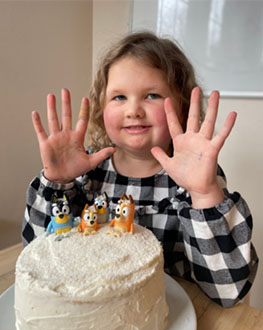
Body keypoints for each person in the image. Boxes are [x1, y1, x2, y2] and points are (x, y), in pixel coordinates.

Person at [23, 31, 258, 308]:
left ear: (182, 109)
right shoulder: (85, 174)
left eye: (152, 95)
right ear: (100, 108)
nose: (133, 110)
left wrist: (205, 193)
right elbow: (38, 260)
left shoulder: (198, 178)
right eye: (119, 97)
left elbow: (228, 290)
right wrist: (58, 182)